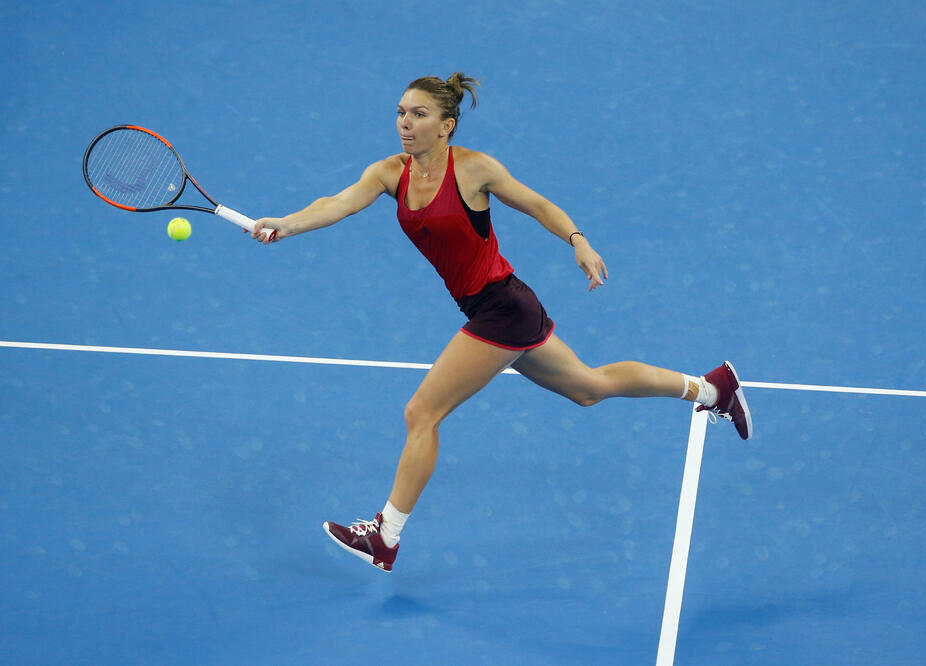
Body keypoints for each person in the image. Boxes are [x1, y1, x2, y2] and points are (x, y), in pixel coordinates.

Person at [252, 73, 752, 572]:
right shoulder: (389, 173)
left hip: (502, 310)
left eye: (419, 115)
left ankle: (385, 537)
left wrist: (577, 240)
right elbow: (336, 203)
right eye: (401, 112)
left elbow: (536, 204)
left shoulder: (473, 170)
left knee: (421, 413)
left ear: (447, 126)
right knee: (589, 387)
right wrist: (288, 223)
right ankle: (712, 389)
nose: (405, 123)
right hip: (504, 308)